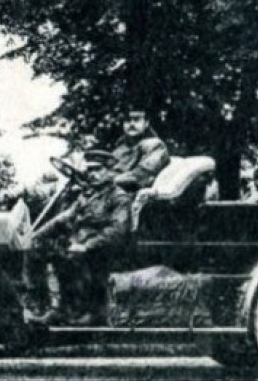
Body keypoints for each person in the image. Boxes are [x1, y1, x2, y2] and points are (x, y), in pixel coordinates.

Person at [32, 151, 134, 325]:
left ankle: (90, 312)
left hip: (105, 249)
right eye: (90, 170)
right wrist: (37, 235)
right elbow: (64, 218)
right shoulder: (87, 196)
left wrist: (87, 245)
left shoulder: (119, 197)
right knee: (43, 252)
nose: (92, 174)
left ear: (110, 171)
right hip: (80, 242)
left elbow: (117, 231)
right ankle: (58, 308)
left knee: (74, 257)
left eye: (98, 169)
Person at [109, 108, 171, 191]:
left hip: (136, 193)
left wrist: (109, 179)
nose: (132, 124)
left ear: (146, 123)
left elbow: (142, 175)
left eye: (136, 120)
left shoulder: (155, 145)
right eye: (127, 121)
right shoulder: (120, 148)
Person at [209, 101, 249, 200]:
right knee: (222, 185)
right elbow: (217, 139)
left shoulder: (238, 121)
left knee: (233, 184)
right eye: (225, 110)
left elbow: (239, 138)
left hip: (233, 159)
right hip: (221, 158)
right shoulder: (218, 122)